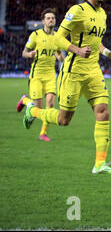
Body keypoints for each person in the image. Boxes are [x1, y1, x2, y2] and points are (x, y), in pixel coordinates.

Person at [21, 0, 111, 174]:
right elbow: (58, 37)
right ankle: (32, 111)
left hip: (93, 70)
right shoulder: (77, 11)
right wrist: (75, 50)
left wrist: (108, 53)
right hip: (73, 72)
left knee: (103, 111)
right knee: (63, 120)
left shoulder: (103, 14)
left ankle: (99, 164)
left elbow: (95, 43)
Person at [17, 9, 65, 142]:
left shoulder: (57, 38)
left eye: (53, 18)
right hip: (36, 75)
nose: (51, 20)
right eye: (48, 18)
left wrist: (64, 59)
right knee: (38, 108)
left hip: (50, 75)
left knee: (50, 104)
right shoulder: (35, 35)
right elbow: (24, 53)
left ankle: (43, 133)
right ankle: (25, 100)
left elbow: (59, 55)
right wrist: (29, 54)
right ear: (43, 21)